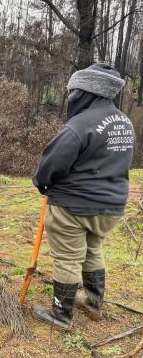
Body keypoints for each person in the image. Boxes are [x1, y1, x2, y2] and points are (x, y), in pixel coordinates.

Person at [32, 64, 136, 329]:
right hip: (111, 206)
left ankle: (60, 314)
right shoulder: (125, 122)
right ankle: (92, 302)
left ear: (86, 91)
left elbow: (51, 165)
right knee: (93, 248)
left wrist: (42, 183)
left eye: (73, 90)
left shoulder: (78, 125)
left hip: (73, 205)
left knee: (67, 257)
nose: (70, 95)